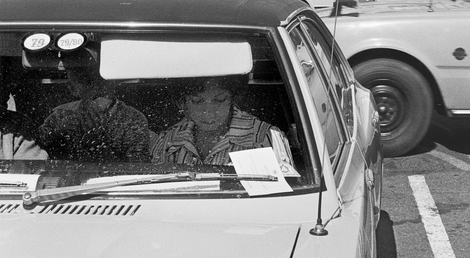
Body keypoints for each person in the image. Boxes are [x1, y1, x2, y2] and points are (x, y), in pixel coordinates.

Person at [150, 77, 291, 168]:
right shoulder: (169, 140)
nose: (208, 111)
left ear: (233, 99)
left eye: (220, 100)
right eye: (197, 101)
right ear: (183, 102)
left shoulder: (265, 138)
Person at [39, 67, 150, 162]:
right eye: (86, 81)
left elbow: (137, 169)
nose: (97, 87)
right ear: (73, 88)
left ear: (113, 83)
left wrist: (99, 146)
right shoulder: (60, 116)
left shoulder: (132, 119)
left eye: (102, 80)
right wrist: (58, 132)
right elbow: (35, 154)